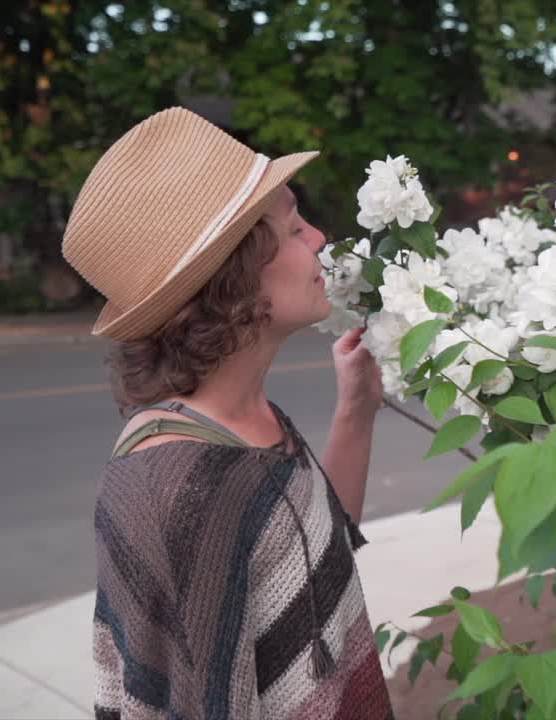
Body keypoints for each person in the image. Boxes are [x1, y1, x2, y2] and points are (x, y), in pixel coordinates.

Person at [62, 107, 394, 719]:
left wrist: (357, 409)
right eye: (294, 229)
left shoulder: (246, 420)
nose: (320, 239)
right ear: (233, 275)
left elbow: (317, 556)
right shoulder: (176, 492)